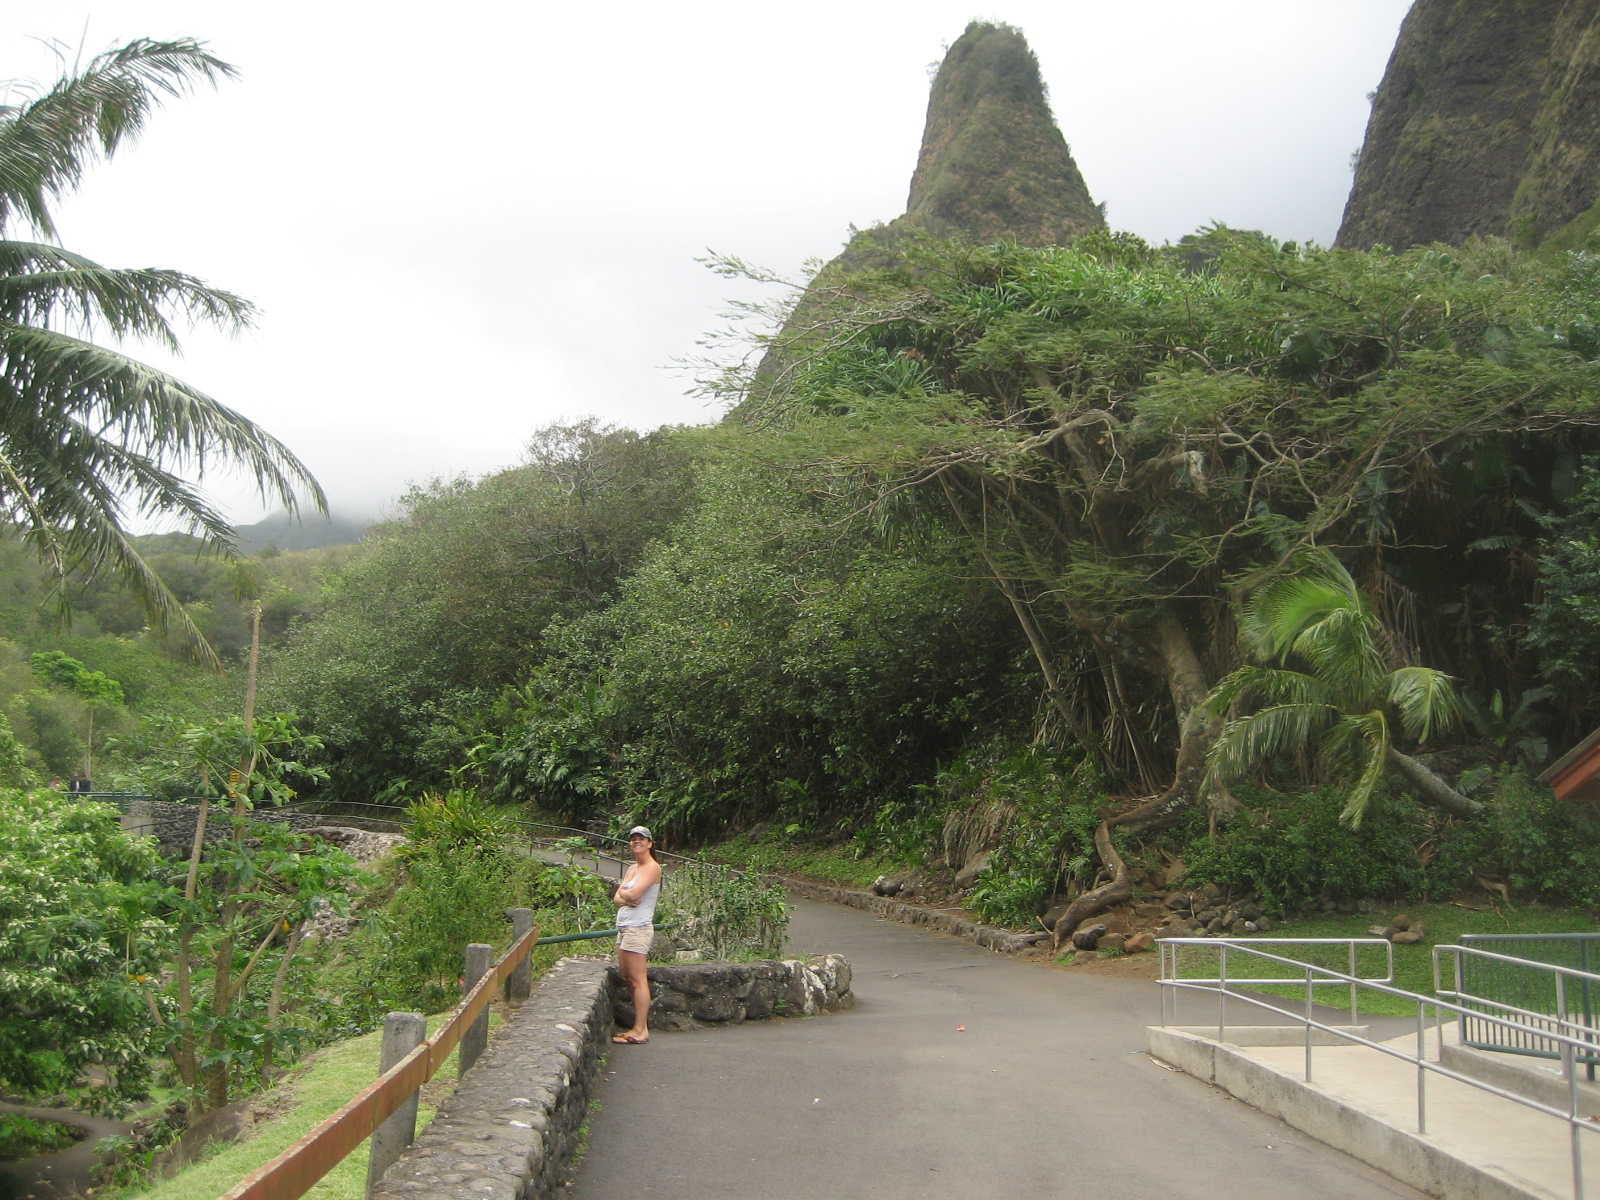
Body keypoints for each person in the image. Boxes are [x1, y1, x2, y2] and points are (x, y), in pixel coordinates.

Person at [611, 825, 661, 1045]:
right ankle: (638, 1027)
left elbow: (634, 894)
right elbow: (618, 898)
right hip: (625, 927)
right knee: (628, 978)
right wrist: (625, 895)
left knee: (638, 979)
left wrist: (625, 894)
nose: (636, 842)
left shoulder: (652, 867)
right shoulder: (633, 868)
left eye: (641, 838)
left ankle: (641, 1030)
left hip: (638, 928)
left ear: (649, 843)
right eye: (633, 839)